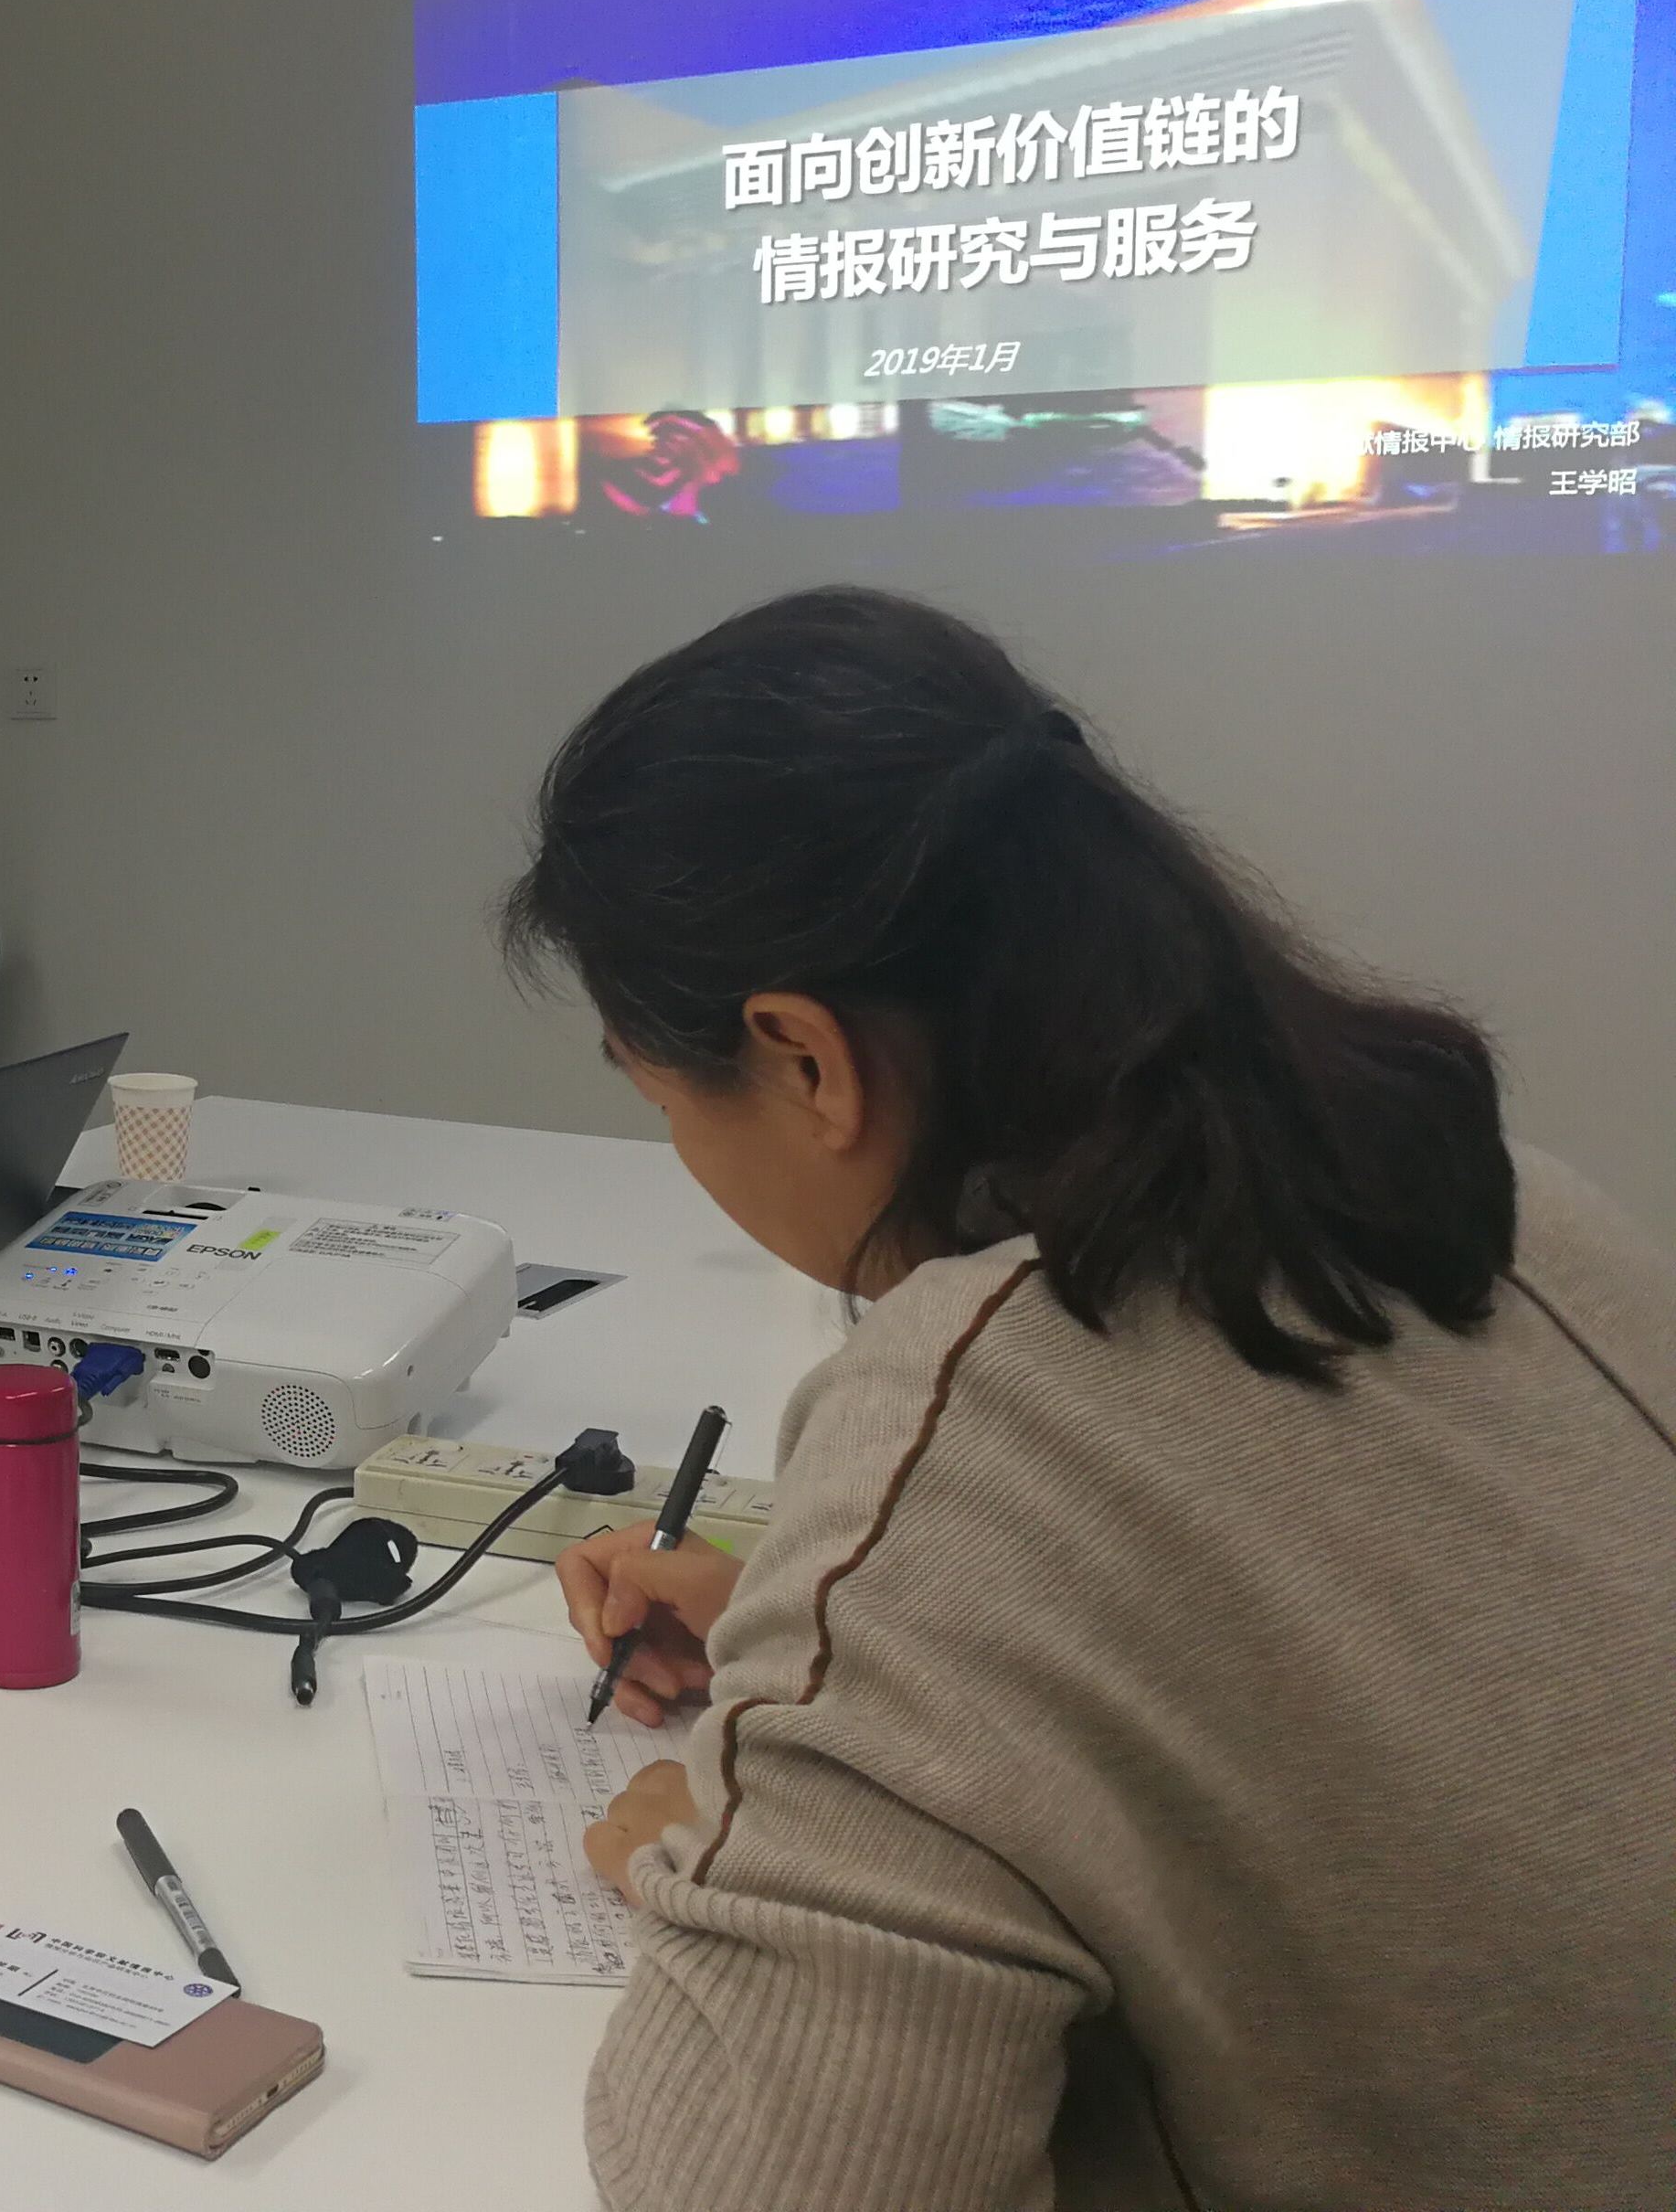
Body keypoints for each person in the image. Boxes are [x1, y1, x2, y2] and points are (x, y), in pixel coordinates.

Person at [508, 587, 1674, 2211]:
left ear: (802, 1059)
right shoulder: (1511, 1205)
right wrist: (826, 1632)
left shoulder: (970, 1421)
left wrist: (723, 1845)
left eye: (661, 1099)